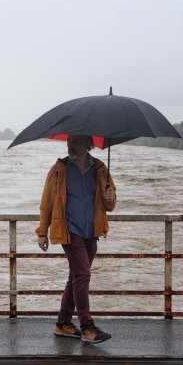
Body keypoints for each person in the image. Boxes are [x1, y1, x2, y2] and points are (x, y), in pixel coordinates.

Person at [35, 134, 116, 344]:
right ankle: (87, 326)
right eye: (69, 141)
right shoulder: (59, 170)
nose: (70, 144)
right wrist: (42, 232)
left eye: (75, 141)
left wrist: (110, 197)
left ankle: (63, 323)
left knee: (76, 277)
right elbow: (47, 203)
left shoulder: (99, 168)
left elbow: (110, 203)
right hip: (70, 231)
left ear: (87, 144)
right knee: (82, 274)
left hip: (92, 231)